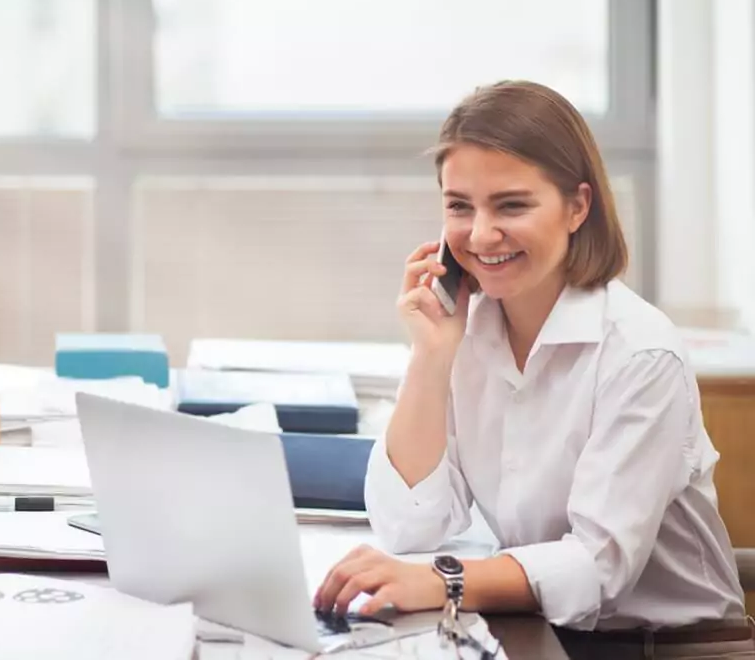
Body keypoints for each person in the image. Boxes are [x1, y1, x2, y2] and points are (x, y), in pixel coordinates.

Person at [313, 80, 752, 659]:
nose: (480, 234)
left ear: (577, 207)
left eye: (511, 205)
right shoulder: (464, 332)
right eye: (459, 206)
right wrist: (430, 357)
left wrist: (445, 580)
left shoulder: (641, 354)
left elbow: (597, 565)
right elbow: (408, 527)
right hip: (541, 633)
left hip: (667, 648)